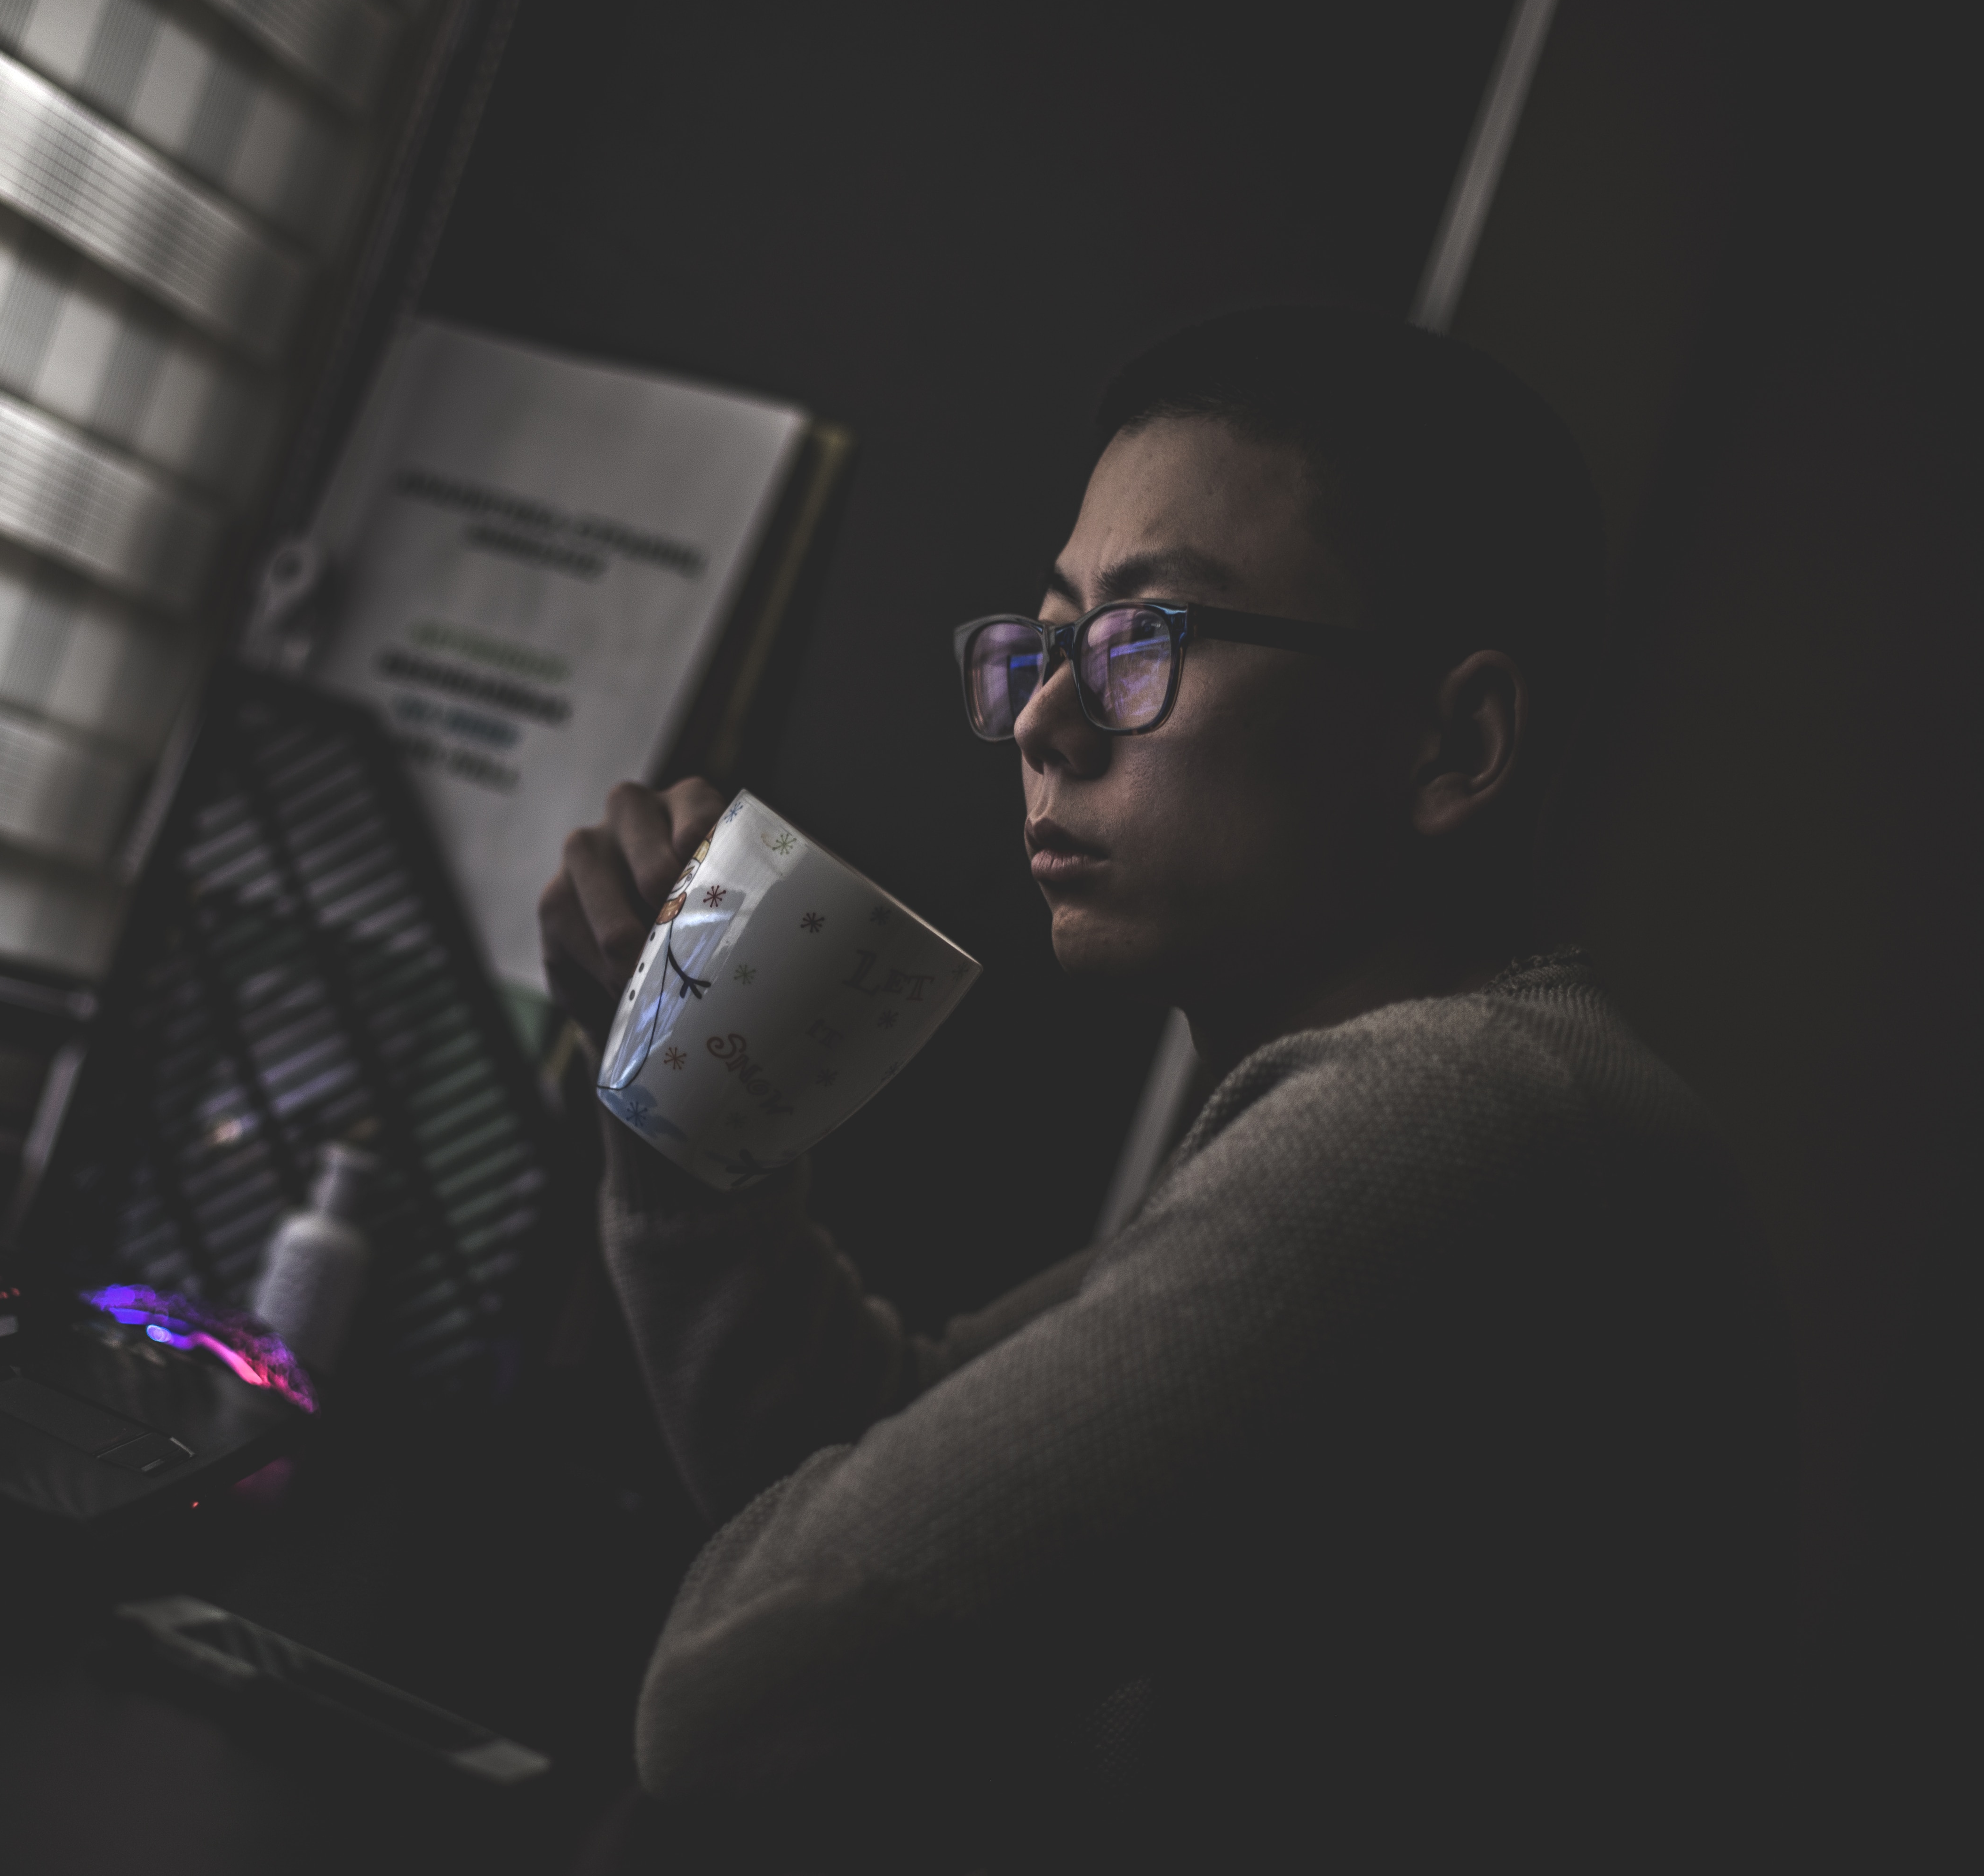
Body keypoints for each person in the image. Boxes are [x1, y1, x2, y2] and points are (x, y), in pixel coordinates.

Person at [539, 309, 1788, 1868]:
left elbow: (731, 1690)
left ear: (1454, 742)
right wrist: (678, 1109)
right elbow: (873, 1461)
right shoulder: (1444, 1095)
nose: (1046, 722)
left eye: (1145, 641)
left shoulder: (1458, 1122)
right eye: (1048, 641)